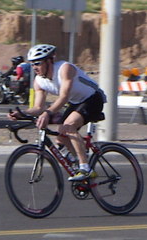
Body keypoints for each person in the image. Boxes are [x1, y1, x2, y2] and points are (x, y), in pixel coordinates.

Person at [8, 44, 106, 181]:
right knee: (61, 136)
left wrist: (48, 113)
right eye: (31, 64)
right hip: (76, 102)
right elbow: (38, 107)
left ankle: (85, 168)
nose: (34, 67)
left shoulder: (65, 69)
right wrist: (23, 113)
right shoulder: (39, 81)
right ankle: (78, 160)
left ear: (49, 61)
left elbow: (64, 96)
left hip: (92, 98)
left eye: (37, 63)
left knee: (68, 126)